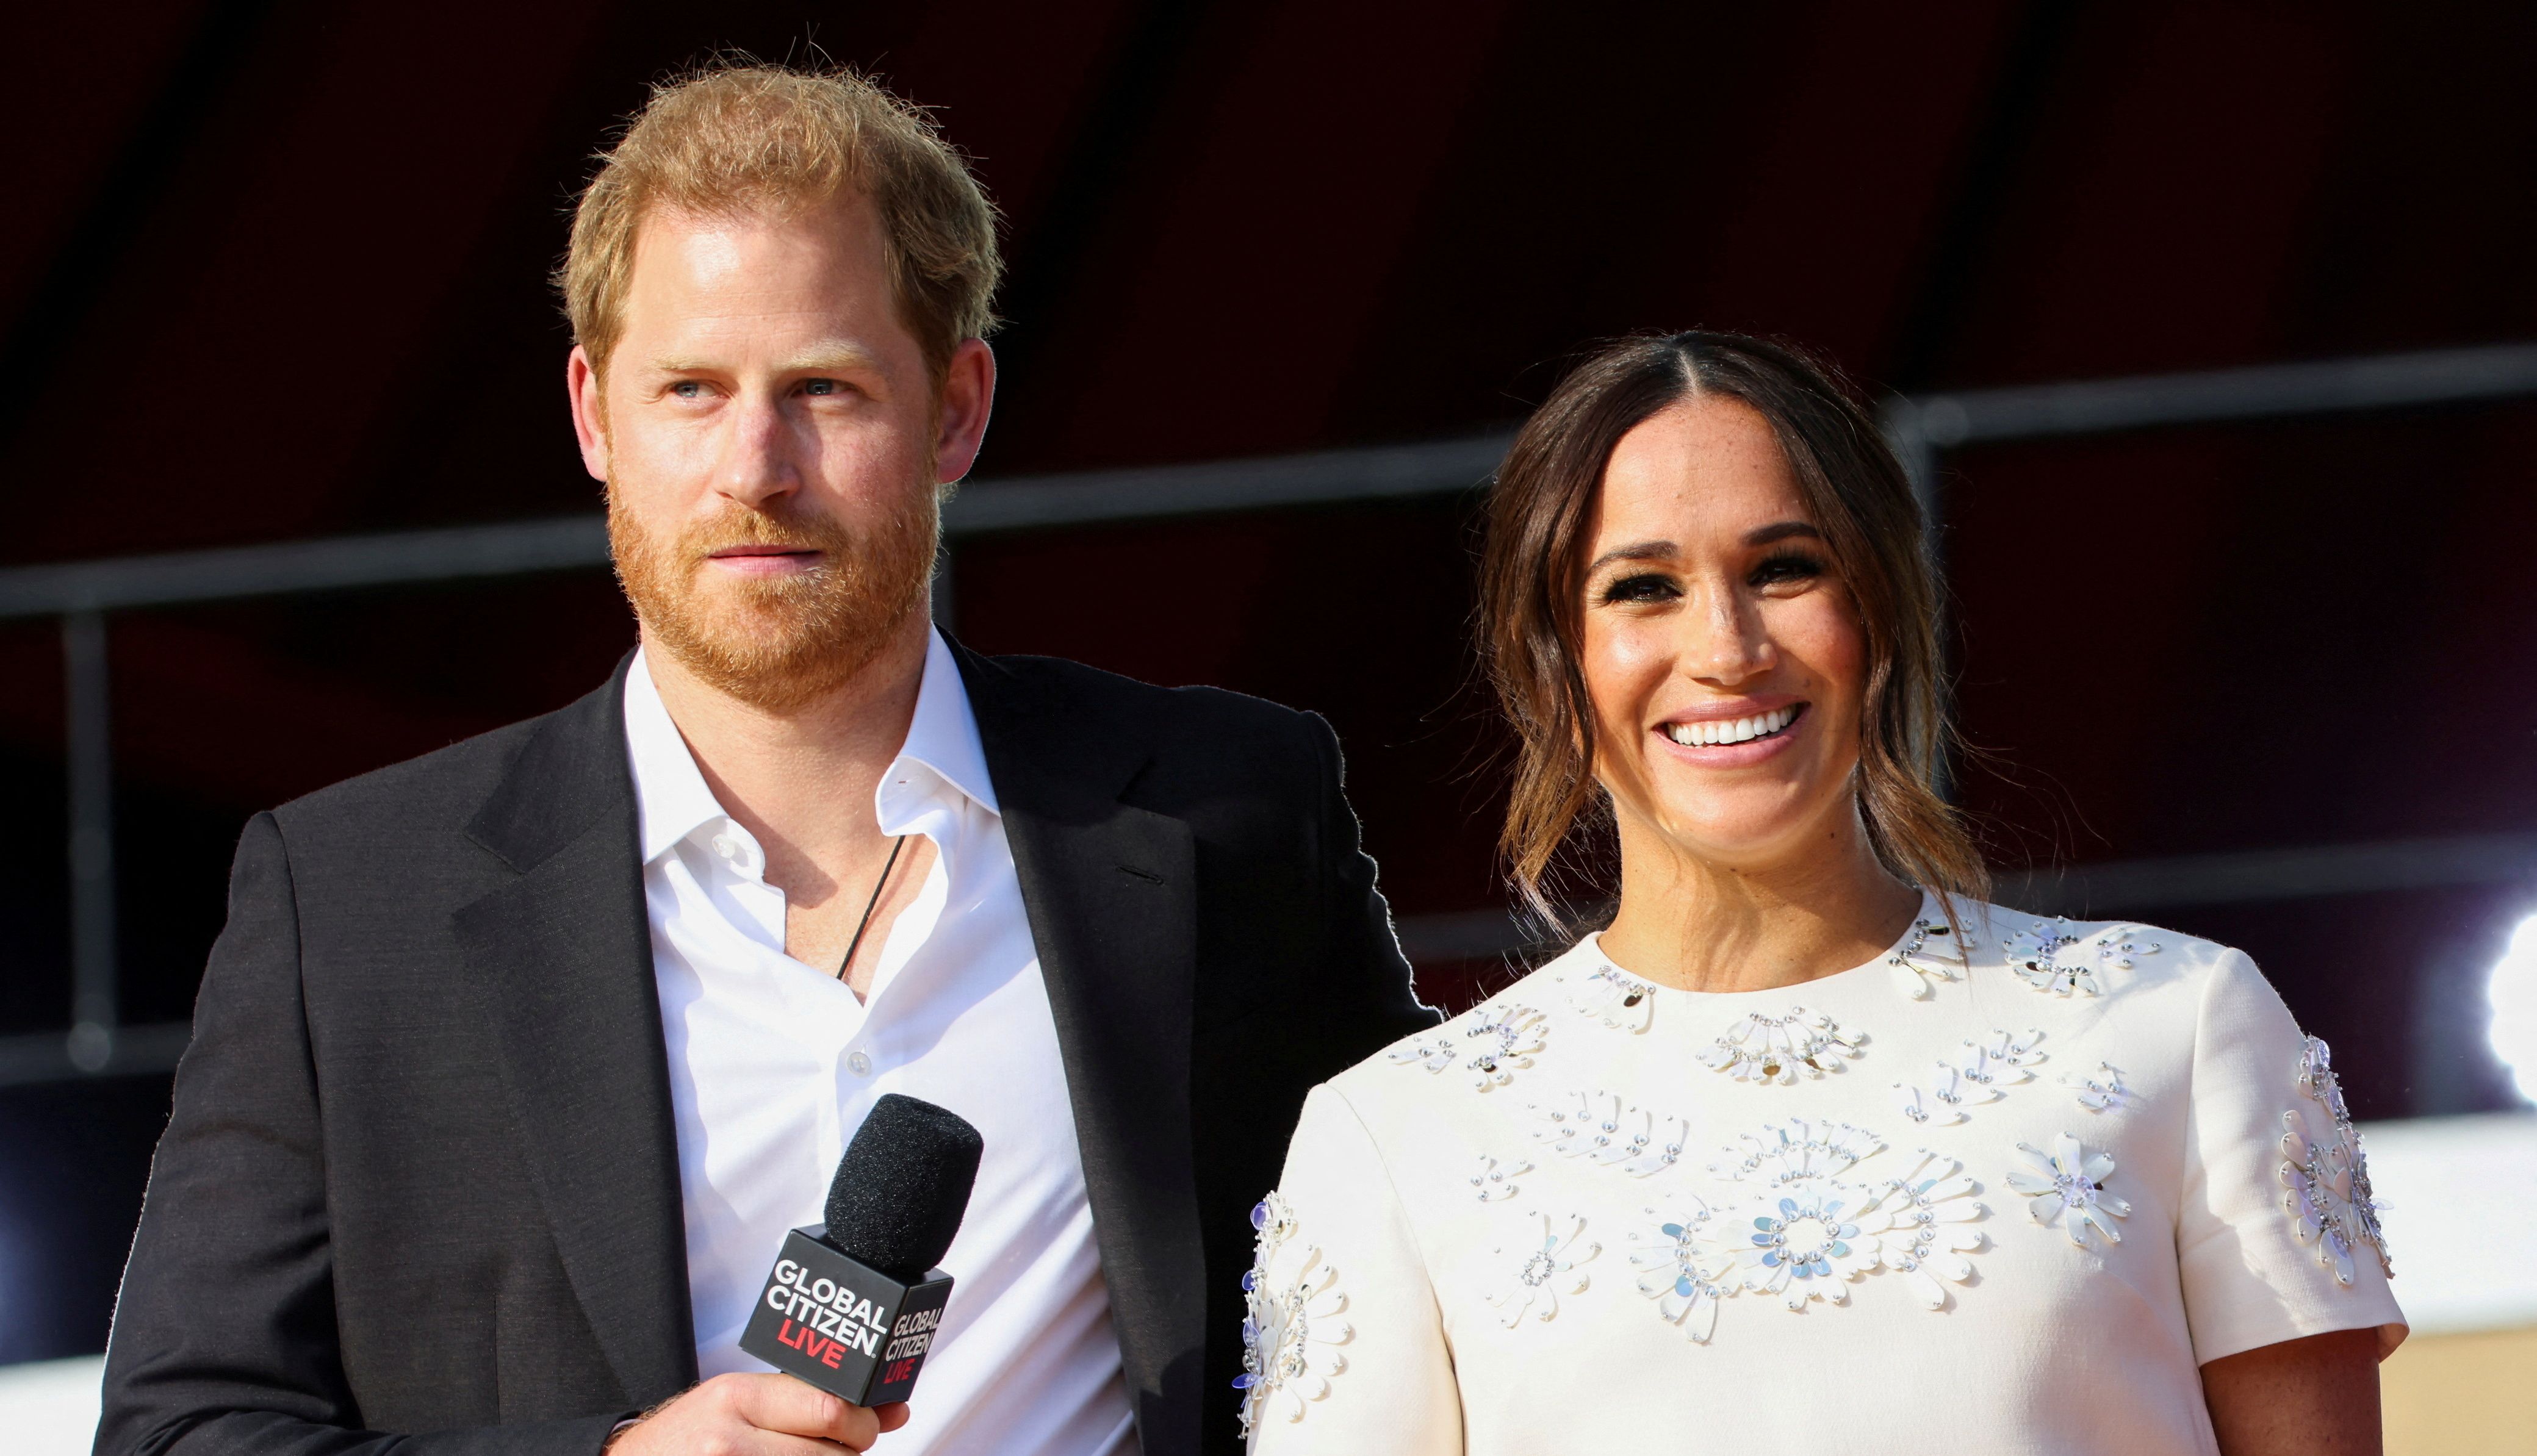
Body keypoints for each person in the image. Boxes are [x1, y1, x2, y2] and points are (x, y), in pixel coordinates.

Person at [96, 65, 1433, 1456]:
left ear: (958, 412)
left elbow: (1444, 1262)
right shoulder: (350, 908)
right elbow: (178, 1436)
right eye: (689, 388)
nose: (756, 466)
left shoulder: (1228, 812)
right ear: (595, 415)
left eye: (825, 388)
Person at [1237, 331, 2403, 1456]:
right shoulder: (1395, 1138)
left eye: (1783, 569)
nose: (1728, 647)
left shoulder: (2176, 1026)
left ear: (1881, 615)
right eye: (1643, 588)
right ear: (1550, 665)